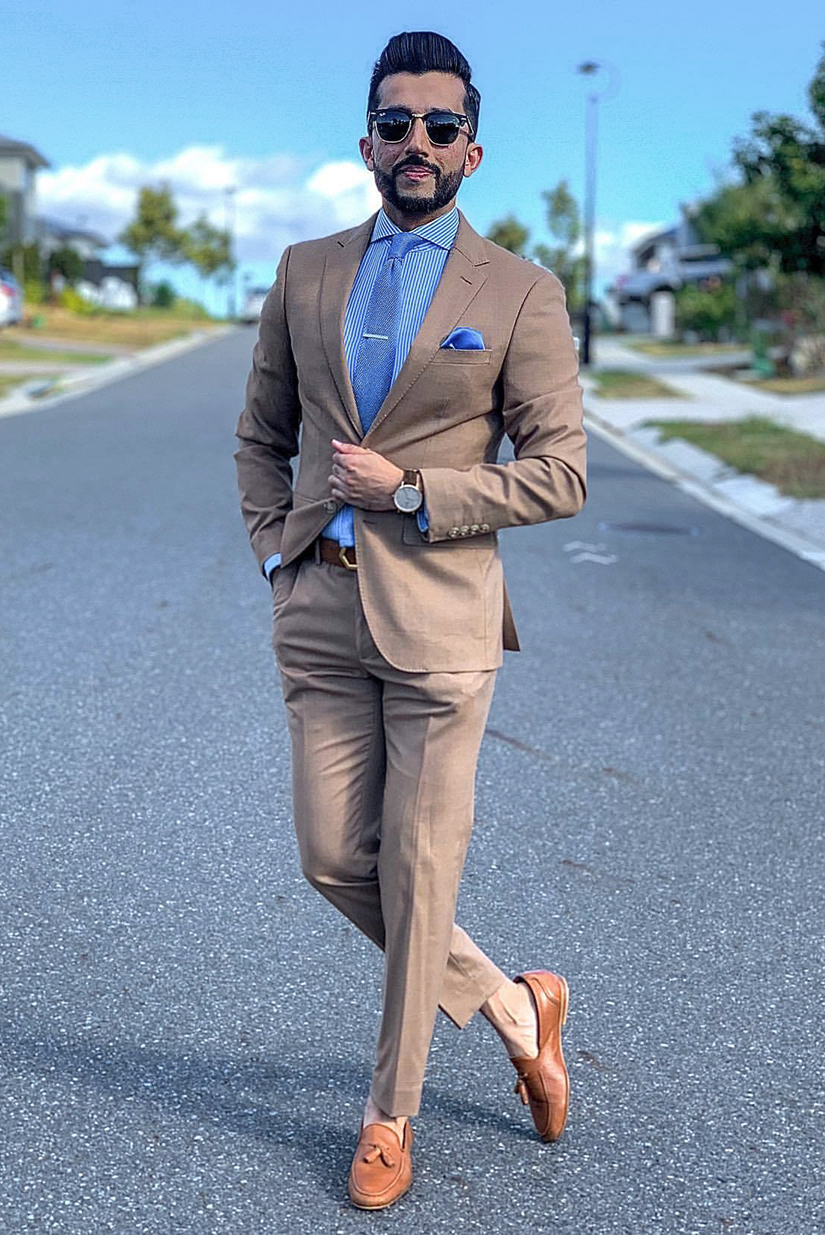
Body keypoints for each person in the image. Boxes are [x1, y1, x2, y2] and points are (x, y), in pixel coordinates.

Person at [234, 29, 587, 1210]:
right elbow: (261, 428)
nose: (417, 143)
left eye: (440, 127)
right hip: (323, 603)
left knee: (422, 868)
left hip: (441, 619)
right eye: (396, 123)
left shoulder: (521, 292)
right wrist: (271, 548)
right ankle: (509, 998)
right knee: (339, 857)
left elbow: (561, 470)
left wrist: (419, 493)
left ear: (471, 150)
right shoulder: (307, 268)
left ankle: (391, 1115)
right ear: (368, 142)